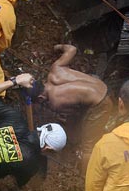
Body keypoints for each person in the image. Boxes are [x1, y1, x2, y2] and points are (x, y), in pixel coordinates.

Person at [35, 44, 115, 172]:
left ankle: (84, 177)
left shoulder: (55, 101)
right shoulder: (56, 69)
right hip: (102, 86)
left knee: (88, 145)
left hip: (102, 103)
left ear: (41, 98)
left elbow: (74, 112)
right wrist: (56, 47)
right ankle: (73, 141)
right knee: (75, 119)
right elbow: (72, 49)